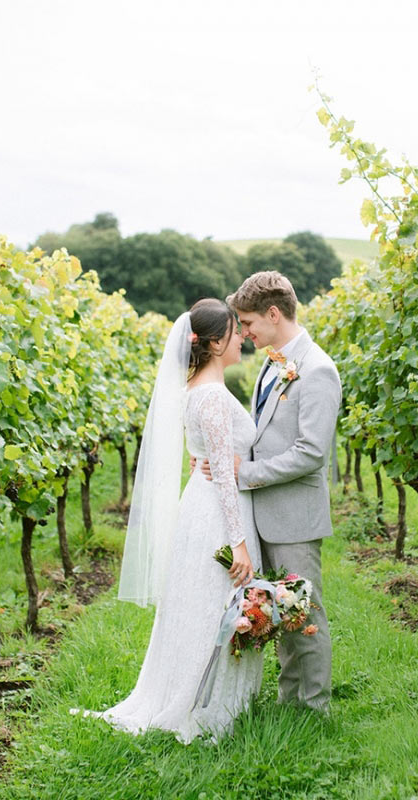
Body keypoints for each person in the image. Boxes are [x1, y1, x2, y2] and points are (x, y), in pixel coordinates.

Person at [72, 298, 262, 744]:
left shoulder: (192, 388)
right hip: (216, 513)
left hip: (198, 503)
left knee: (199, 602)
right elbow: (223, 479)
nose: (241, 340)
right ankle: (200, 701)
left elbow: (208, 461)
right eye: (235, 334)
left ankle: (189, 689)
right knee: (217, 602)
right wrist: (238, 542)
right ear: (216, 343)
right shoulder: (213, 396)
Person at [197, 271, 341, 713]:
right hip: (266, 513)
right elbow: (261, 432)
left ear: (273, 313)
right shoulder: (273, 361)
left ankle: (313, 709)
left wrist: (246, 473)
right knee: (280, 612)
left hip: (294, 516)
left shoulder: (317, 370)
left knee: (305, 615)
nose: (244, 333)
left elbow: (311, 452)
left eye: (248, 323)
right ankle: (289, 702)